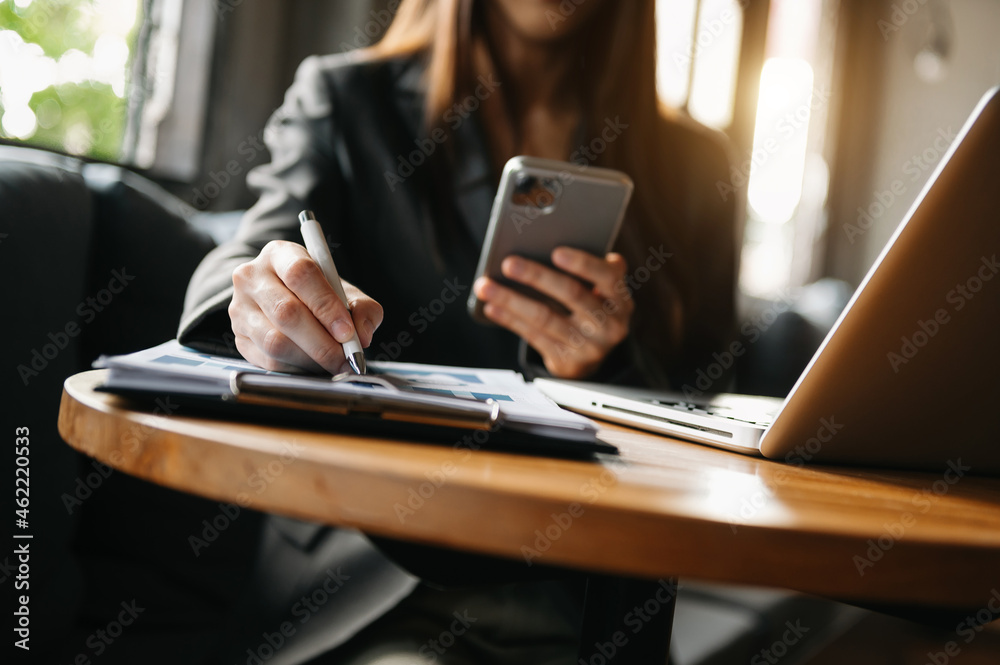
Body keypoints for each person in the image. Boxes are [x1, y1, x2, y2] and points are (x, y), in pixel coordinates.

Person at [178, 0, 739, 662]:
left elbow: (714, 399)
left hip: (588, 591)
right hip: (385, 575)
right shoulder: (348, 100)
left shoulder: (695, 164)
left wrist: (609, 364)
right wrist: (255, 305)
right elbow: (245, 259)